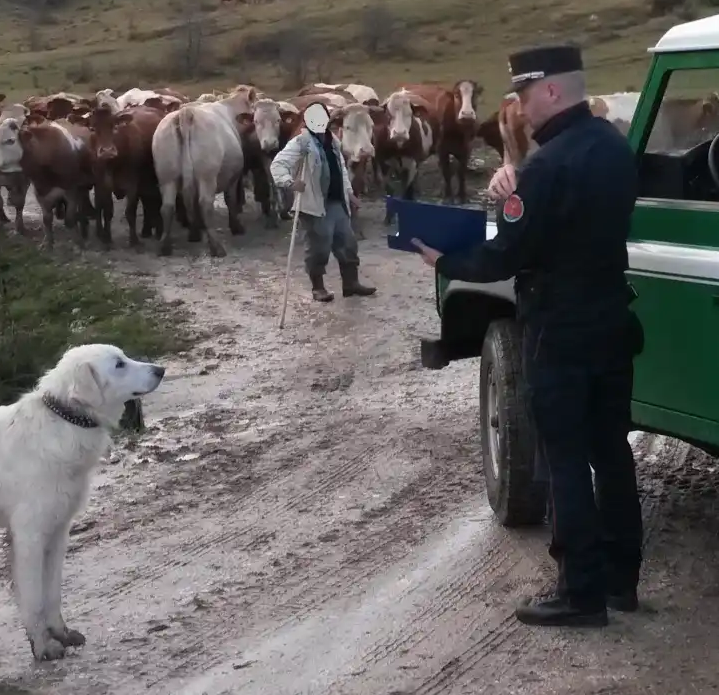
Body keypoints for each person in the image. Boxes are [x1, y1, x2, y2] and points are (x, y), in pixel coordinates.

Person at [411, 44, 643, 628]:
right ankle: (621, 582)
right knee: (611, 454)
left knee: (563, 459)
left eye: (523, 94)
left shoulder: (545, 166)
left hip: (558, 330)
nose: (517, 107)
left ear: (553, 91)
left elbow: (507, 255)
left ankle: (579, 593)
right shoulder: (616, 148)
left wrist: (447, 261)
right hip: (612, 320)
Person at [270, 102, 374, 303]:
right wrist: (290, 182)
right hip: (315, 205)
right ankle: (318, 288)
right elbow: (278, 165)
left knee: (348, 243)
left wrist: (350, 193)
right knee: (319, 247)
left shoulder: (333, 140)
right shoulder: (301, 142)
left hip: (337, 202)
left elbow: (341, 168)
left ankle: (351, 284)